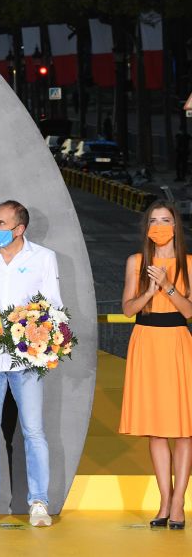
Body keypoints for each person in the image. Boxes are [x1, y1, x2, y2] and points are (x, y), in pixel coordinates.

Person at [0, 200, 59, 529]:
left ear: (19, 229)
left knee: (33, 431)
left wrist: (33, 339)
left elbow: (52, 306)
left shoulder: (43, 258)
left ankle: (39, 503)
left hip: (26, 361)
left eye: (2, 223)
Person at [119, 200, 192, 529]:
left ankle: (179, 502)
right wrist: (150, 289)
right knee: (156, 430)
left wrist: (167, 286)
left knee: (184, 429)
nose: (159, 226)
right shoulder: (136, 261)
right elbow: (128, 309)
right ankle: (164, 500)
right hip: (145, 342)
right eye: (153, 220)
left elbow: (189, 311)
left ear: (176, 225)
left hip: (177, 341)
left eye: (165, 220)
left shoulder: (189, 263)